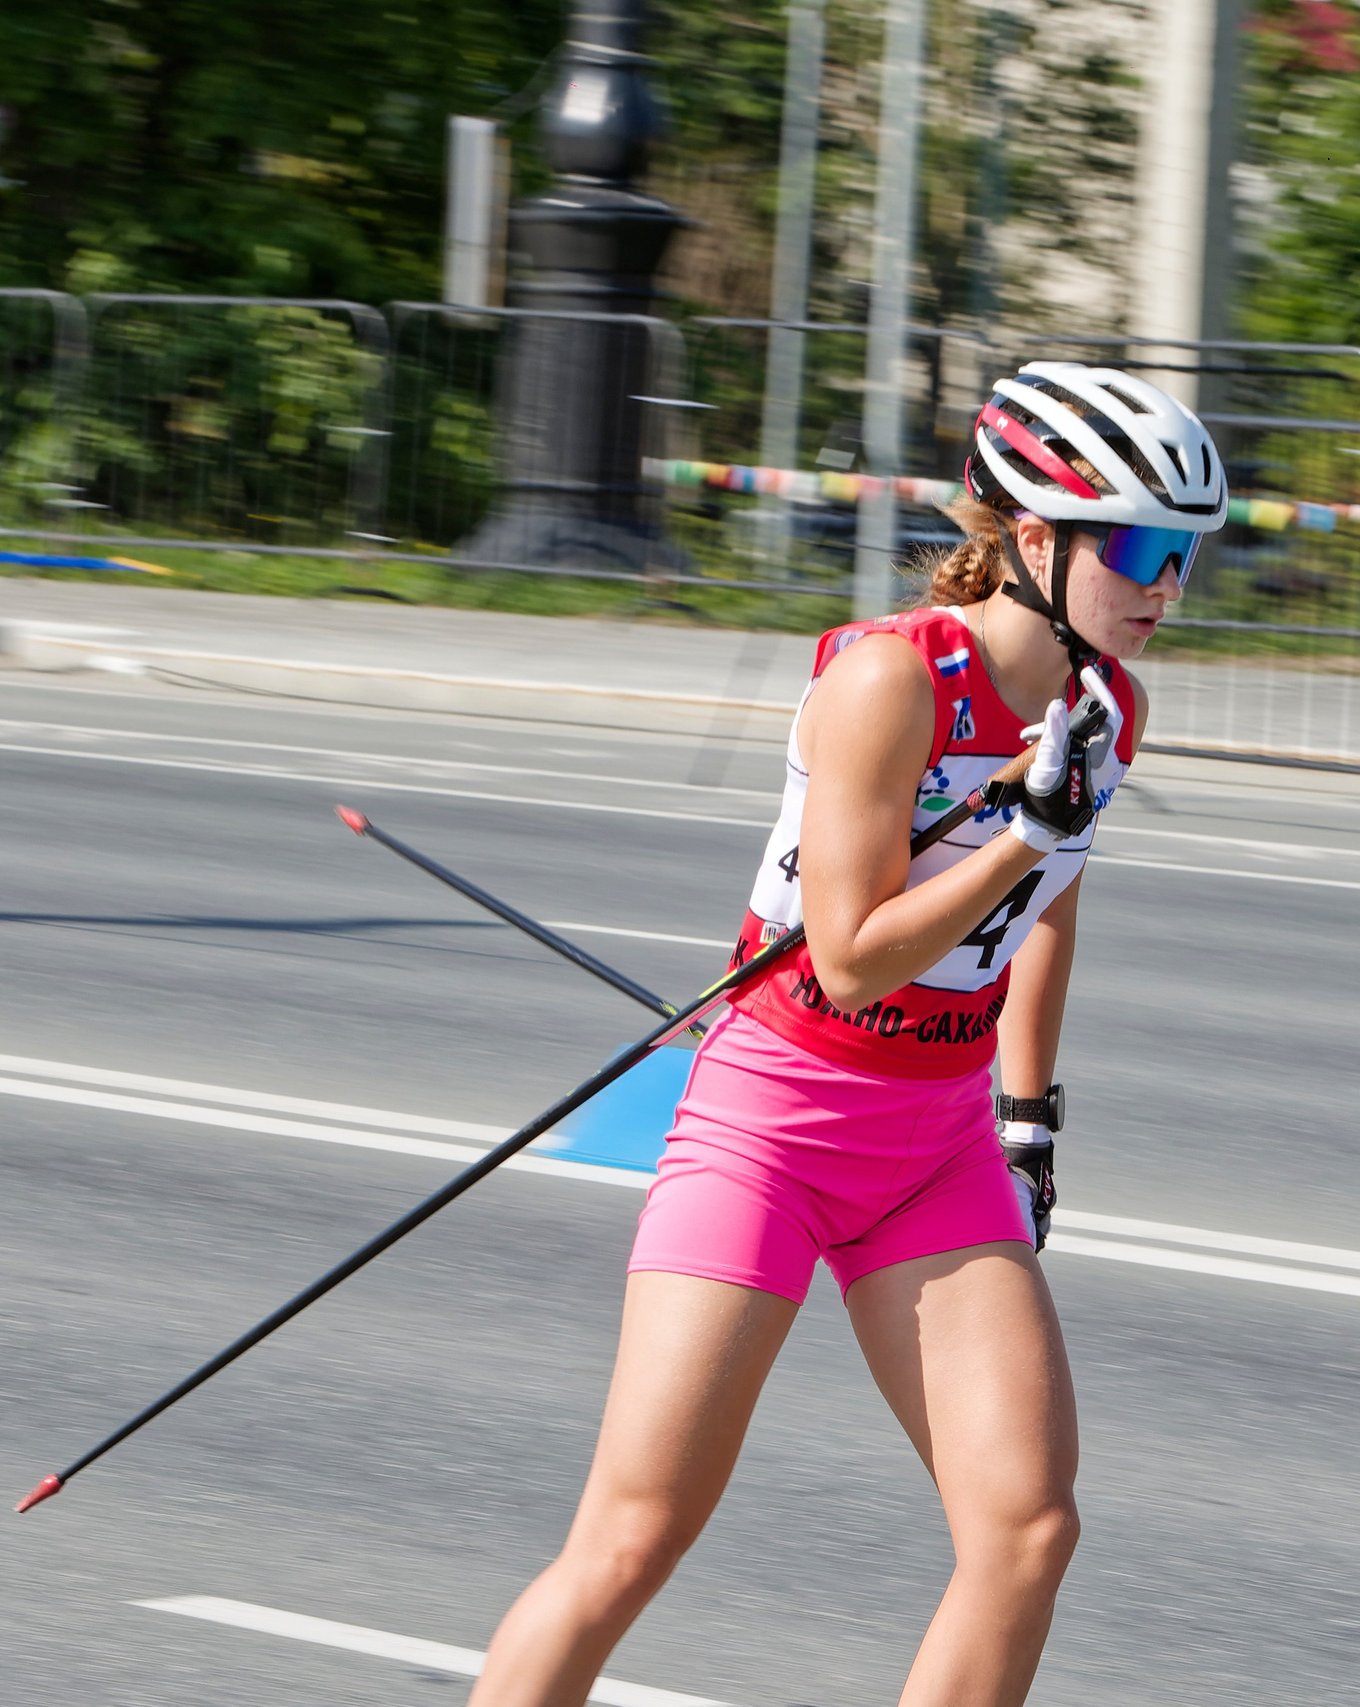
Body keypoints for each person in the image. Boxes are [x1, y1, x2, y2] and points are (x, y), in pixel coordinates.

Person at [465, 362, 1225, 1707]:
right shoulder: (890, 683)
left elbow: (1049, 914)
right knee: (633, 1536)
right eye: (1147, 549)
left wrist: (1029, 1120)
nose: (1169, 586)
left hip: (934, 1138)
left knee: (1028, 1530)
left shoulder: (1109, 708)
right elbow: (851, 955)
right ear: (1035, 537)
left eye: (1189, 557)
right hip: (774, 1116)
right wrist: (1020, 839)